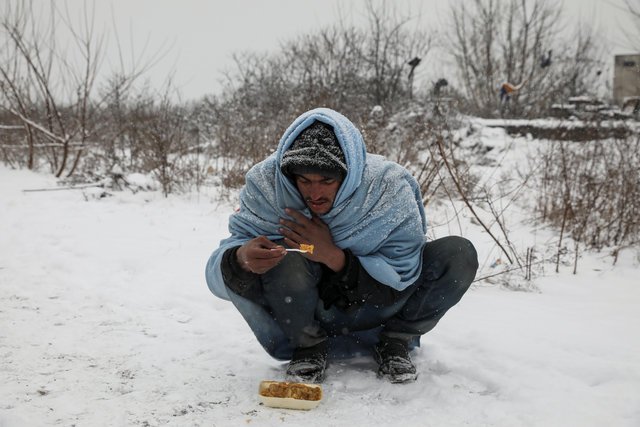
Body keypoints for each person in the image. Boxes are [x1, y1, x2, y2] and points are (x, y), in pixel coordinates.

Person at [205, 108, 478, 384]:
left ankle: (396, 341)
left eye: (327, 181)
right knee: (286, 255)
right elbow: (220, 267)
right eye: (304, 180)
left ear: (350, 173)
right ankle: (308, 346)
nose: (314, 193)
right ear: (290, 176)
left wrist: (333, 256)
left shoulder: (386, 187)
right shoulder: (268, 186)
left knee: (458, 254)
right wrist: (240, 259)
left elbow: (401, 276)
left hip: (381, 308)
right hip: (305, 312)